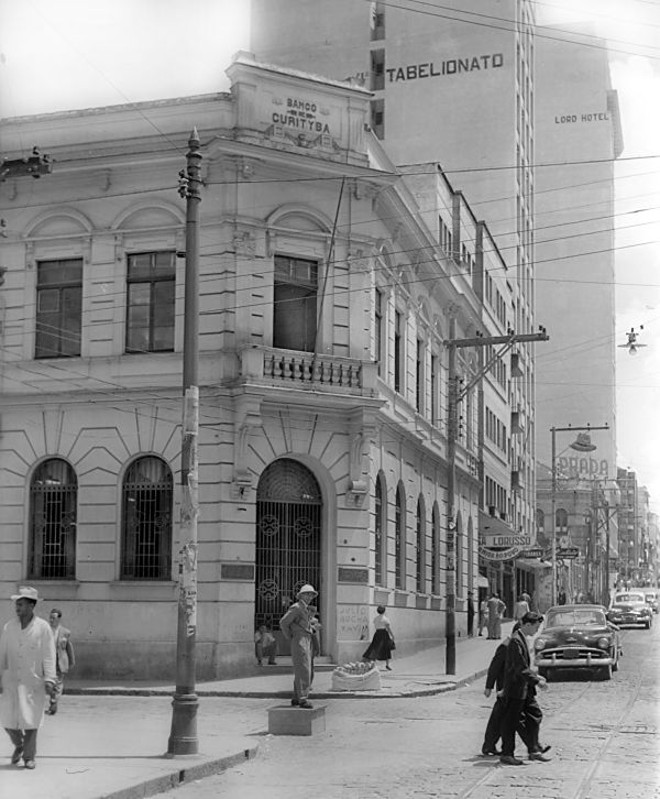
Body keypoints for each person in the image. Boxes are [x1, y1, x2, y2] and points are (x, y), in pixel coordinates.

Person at [0, 586, 56, 770]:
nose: (17, 608)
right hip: (11, 680)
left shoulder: (43, 628)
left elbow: (49, 655)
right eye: (17, 604)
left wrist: (50, 679)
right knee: (8, 720)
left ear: (32, 606)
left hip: (32, 681)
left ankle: (29, 757)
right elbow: (2, 653)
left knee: (31, 720)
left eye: (21, 604)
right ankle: (19, 745)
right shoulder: (9, 627)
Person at [481, 622, 551, 758]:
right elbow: (495, 666)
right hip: (509, 687)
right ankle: (532, 747)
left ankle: (532, 746)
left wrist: (535, 676)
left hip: (521, 686)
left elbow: (523, 666)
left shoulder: (519, 643)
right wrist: (489, 687)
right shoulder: (506, 646)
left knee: (505, 717)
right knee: (508, 718)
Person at [499, 611, 550, 765]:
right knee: (511, 722)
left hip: (524, 688)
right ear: (527, 625)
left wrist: (535, 676)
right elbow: (520, 668)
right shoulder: (516, 641)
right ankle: (507, 753)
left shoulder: (522, 639)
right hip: (515, 688)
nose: (537, 631)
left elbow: (524, 666)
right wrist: (537, 681)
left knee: (535, 715)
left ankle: (533, 749)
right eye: (536, 627)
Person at [279, 584, 318, 709]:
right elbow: (283, 622)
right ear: (300, 595)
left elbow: (303, 625)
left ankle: (296, 697)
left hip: (306, 638)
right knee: (304, 669)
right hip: (300, 639)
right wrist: (291, 636)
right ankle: (303, 699)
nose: (309, 597)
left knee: (305, 669)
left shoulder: (304, 608)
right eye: (307, 594)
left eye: (311, 595)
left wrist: (312, 628)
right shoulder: (296, 607)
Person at [46, 608, 75, 715]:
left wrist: (71, 661)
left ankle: (53, 702)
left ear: (59, 619)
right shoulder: (45, 631)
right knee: (49, 684)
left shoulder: (65, 632)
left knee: (58, 684)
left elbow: (68, 647)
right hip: (48, 661)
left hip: (60, 661)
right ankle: (53, 699)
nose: (51, 620)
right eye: (50, 617)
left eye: (53, 618)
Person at [362, 605, 395, 670]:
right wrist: (392, 635)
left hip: (377, 634)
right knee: (386, 649)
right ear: (384, 611)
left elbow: (375, 625)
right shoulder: (385, 619)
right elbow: (388, 628)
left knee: (375, 648)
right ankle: (387, 664)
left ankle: (373, 663)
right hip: (384, 634)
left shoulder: (376, 619)